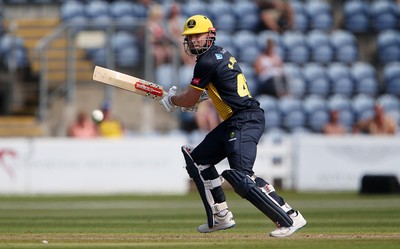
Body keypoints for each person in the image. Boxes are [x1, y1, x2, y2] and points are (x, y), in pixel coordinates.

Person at [159, 15, 306, 237]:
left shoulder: (206, 61)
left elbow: (188, 100)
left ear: (211, 34)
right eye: (189, 38)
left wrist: (172, 100)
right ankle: (221, 217)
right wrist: (194, 98)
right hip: (235, 120)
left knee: (242, 177)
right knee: (198, 161)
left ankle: (290, 216)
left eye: (198, 35)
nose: (193, 41)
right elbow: (218, 91)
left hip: (244, 119)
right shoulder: (219, 54)